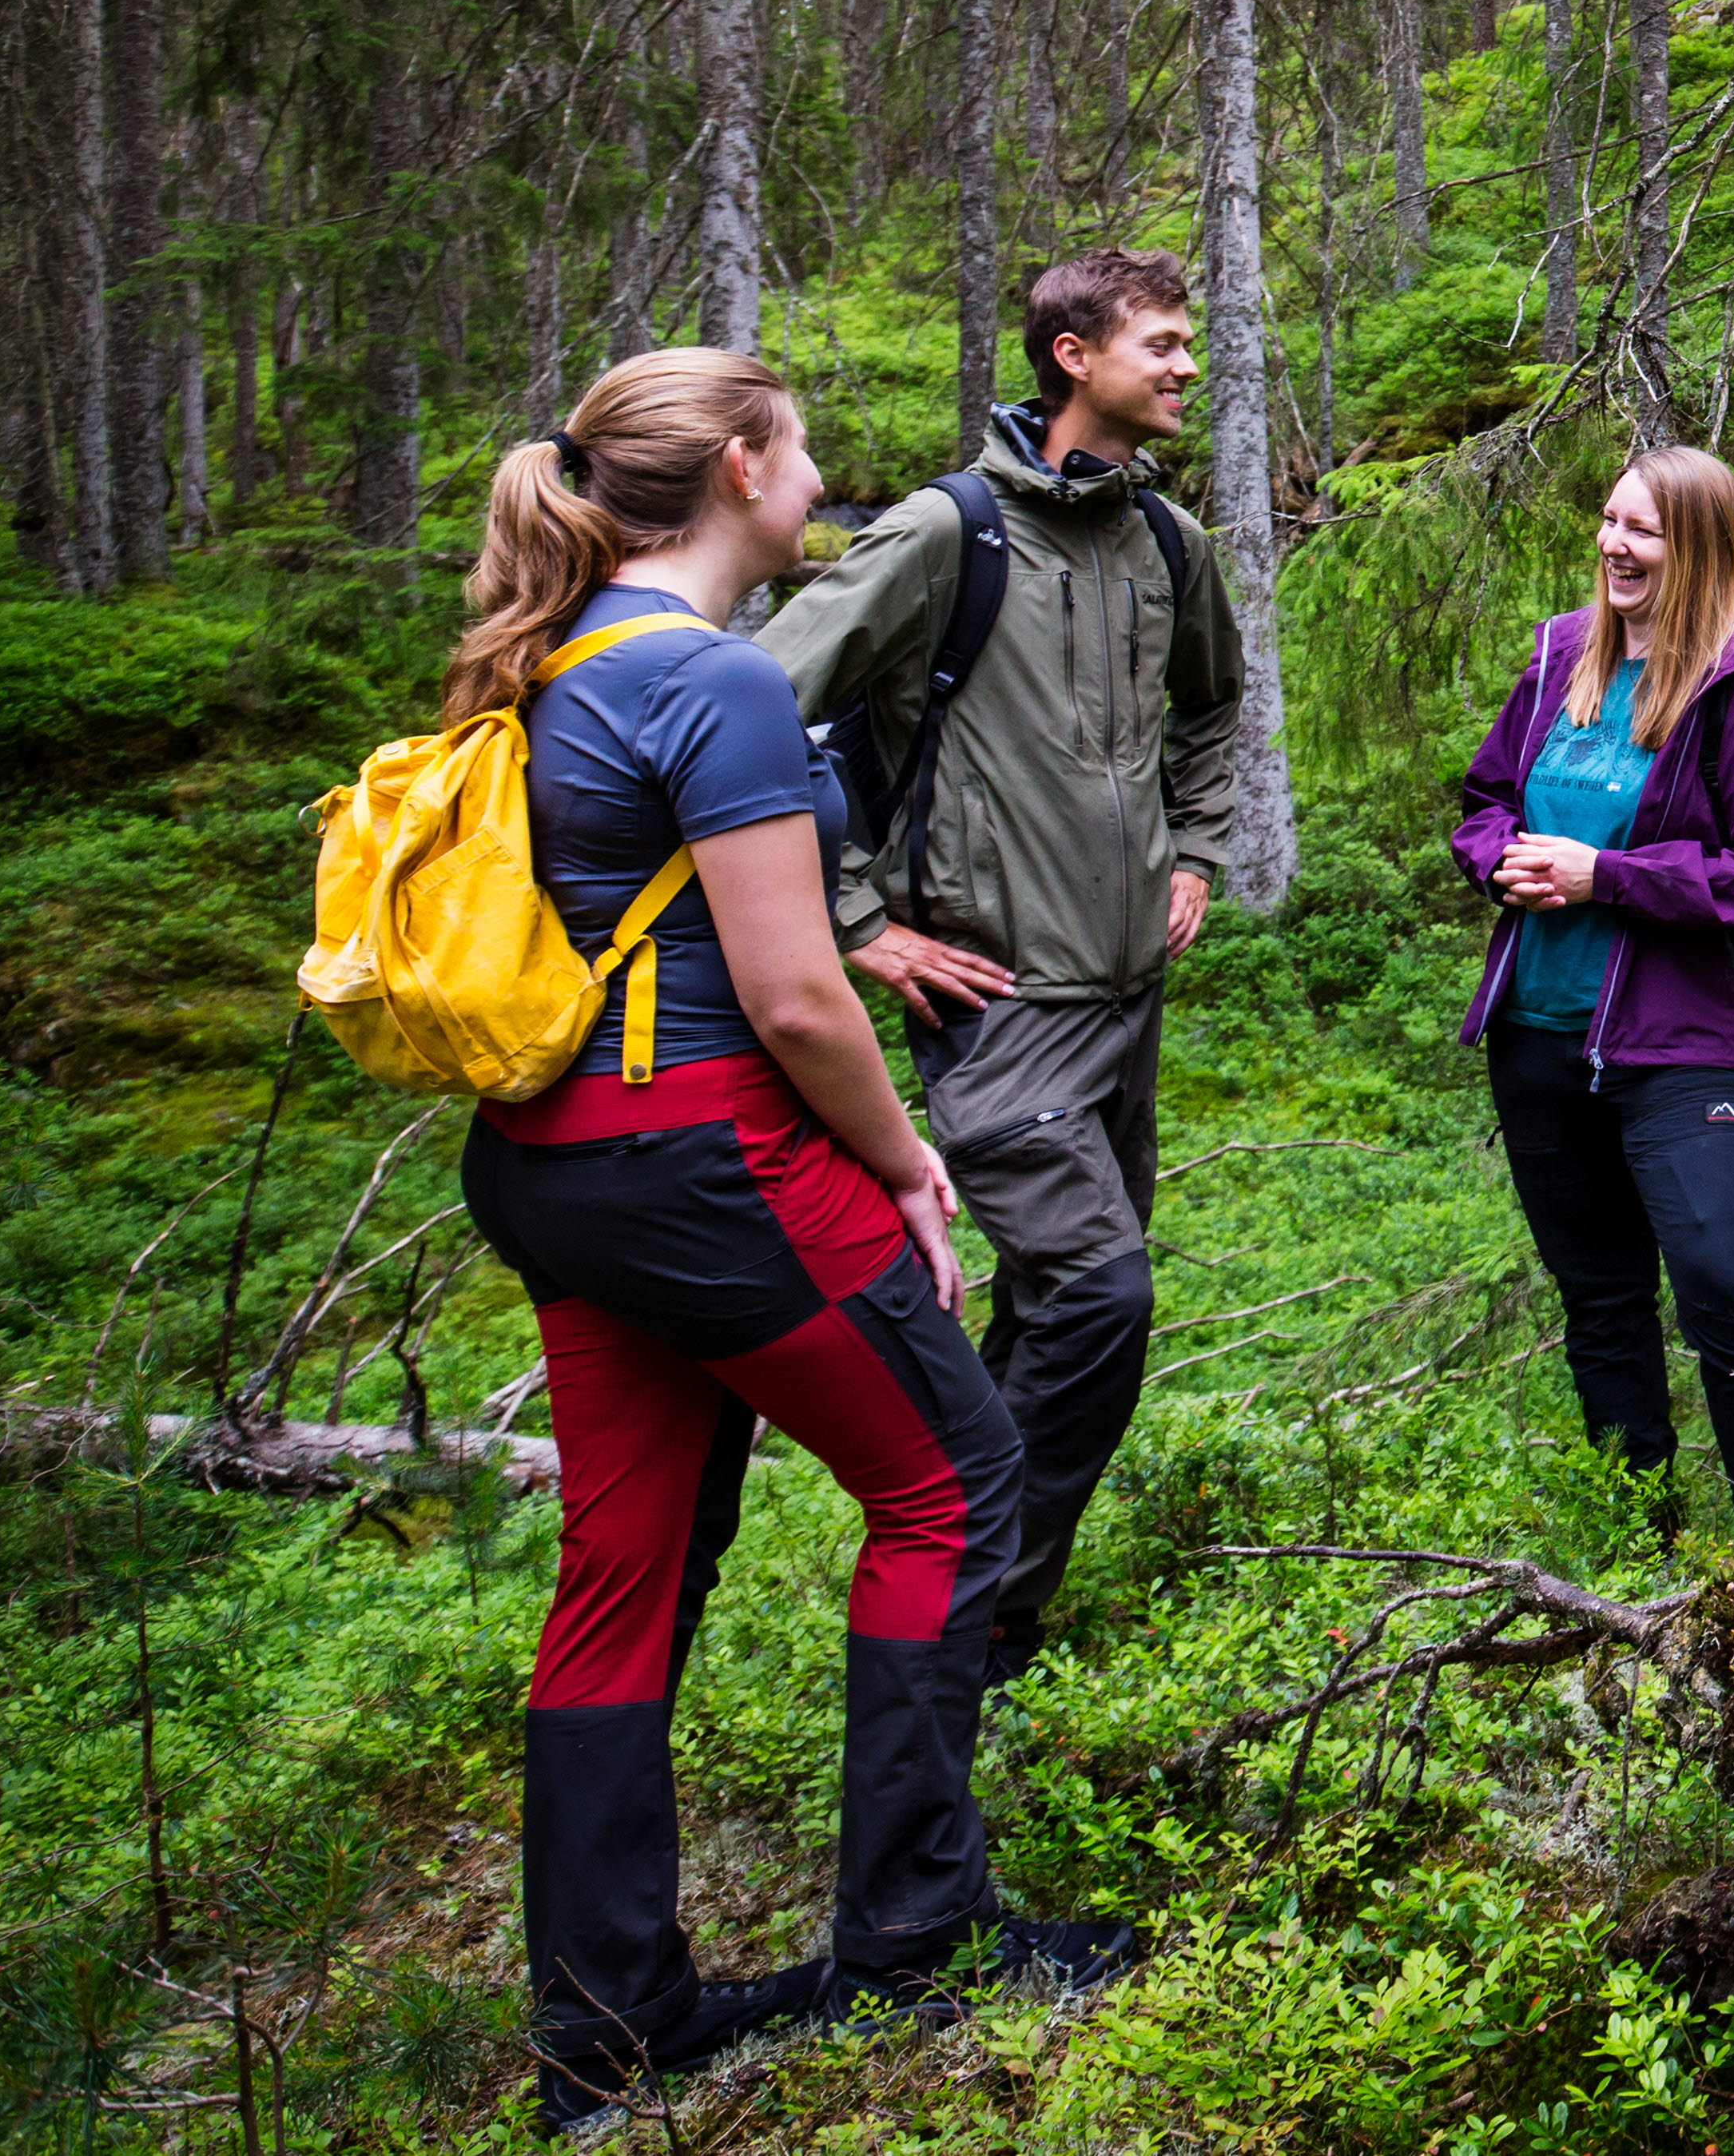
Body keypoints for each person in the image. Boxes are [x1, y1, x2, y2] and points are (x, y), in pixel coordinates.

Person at [447, 350, 1131, 2134]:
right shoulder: (718, 685)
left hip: (550, 1170)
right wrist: (910, 1167)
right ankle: (917, 1936)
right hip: (709, 1166)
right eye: (801, 442)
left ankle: (604, 2029)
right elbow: (800, 996)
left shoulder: (547, 662)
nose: (820, 469)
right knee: (957, 1490)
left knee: (626, 1564)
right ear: (745, 467)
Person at [761, 251, 1243, 1679]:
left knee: (1053, 1303)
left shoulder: (1170, 545)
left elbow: (1211, 713)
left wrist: (1197, 853)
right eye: (1161, 343)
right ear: (1070, 355)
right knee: (1101, 1295)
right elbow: (756, 703)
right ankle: (972, 1600)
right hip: (997, 1005)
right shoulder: (943, 534)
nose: (1186, 367)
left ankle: (966, 1610)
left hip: (1125, 1002)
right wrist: (855, 918)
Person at [1450, 444, 1734, 1550]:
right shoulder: (1561, 656)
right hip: (1537, 1032)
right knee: (1601, 1298)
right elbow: (1484, 797)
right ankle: (1633, 1539)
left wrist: (1602, 875)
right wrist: (1499, 858)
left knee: (1722, 1271)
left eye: (1644, 530)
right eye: (1610, 520)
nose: (1613, 545)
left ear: (1701, 548)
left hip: (1682, 1044)